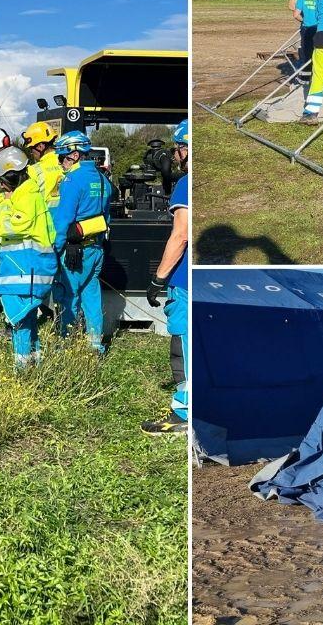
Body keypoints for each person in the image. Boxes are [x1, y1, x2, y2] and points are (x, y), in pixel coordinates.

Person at [0, 146, 57, 369]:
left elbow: (14, 225)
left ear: (12, 177)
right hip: (27, 269)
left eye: (3, 181)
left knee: (19, 321)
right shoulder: (24, 195)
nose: (2, 186)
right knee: (27, 320)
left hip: (27, 270)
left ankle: (23, 370)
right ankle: (33, 365)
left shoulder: (26, 197)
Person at [142, 120, 190, 435]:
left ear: (186, 149)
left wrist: (159, 278)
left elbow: (181, 235)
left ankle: (183, 413)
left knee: (185, 344)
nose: (174, 155)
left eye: (177, 148)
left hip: (186, 280)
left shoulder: (187, 184)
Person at [50, 130, 112, 353]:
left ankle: (65, 345)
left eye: (62, 158)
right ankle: (95, 345)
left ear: (74, 155)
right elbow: (106, 218)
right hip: (96, 248)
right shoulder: (103, 180)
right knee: (92, 296)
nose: (60, 163)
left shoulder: (72, 181)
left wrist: (54, 252)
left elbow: (63, 221)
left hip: (75, 253)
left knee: (69, 297)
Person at [19, 121, 65, 208]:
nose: (31, 152)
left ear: (40, 146)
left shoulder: (33, 171)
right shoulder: (68, 163)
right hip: (68, 217)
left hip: (45, 219)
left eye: (31, 148)